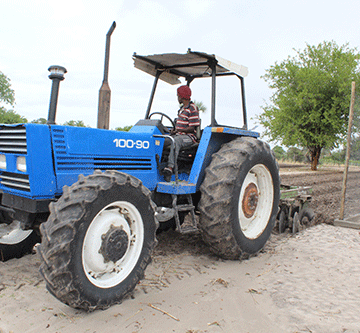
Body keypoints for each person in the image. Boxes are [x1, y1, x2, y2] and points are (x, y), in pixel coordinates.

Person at [163, 85, 200, 181]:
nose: (177, 98)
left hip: (189, 137)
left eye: (178, 95)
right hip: (179, 134)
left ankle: (170, 167)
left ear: (182, 96)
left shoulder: (192, 109)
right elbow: (180, 127)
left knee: (176, 141)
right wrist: (174, 131)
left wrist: (179, 131)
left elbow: (192, 128)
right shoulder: (182, 109)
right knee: (162, 140)